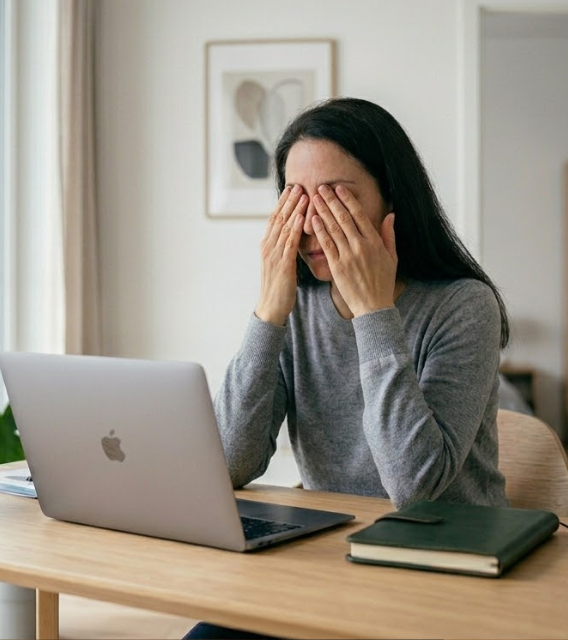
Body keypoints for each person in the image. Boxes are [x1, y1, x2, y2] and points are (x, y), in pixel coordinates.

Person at [183, 97, 510, 640]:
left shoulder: (463, 306)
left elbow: (414, 488)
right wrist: (268, 314)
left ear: (391, 199)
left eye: (333, 197)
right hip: (330, 560)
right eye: (294, 199)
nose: (310, 223)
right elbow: (231, 464)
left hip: (450, 565)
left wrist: (374, 314)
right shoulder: (298, 306)